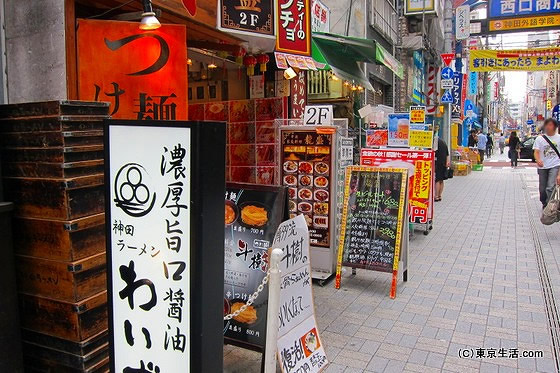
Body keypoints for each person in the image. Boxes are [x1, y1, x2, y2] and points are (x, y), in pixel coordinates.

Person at [533, 118, 560, 208]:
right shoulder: (540, 139)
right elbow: (536, 152)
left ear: (555, 127)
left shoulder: (559, 138)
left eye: (550, 125)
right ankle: (544, 201)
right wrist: (538, 160)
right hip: (543, 166)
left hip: (555, 165)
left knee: (550, 187)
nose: (548, 127)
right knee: (542, 189)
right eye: (547, 125)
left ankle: (548, 205)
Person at [434, 136, 450, 202]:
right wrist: (447, 163)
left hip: (438, 163)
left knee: (437, 180)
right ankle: (440, 195)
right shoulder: (443, 142)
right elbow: (447, 154)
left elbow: (434, 153)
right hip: (443, 163)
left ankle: (436, 196)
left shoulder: (435, 143)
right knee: (441, 180)